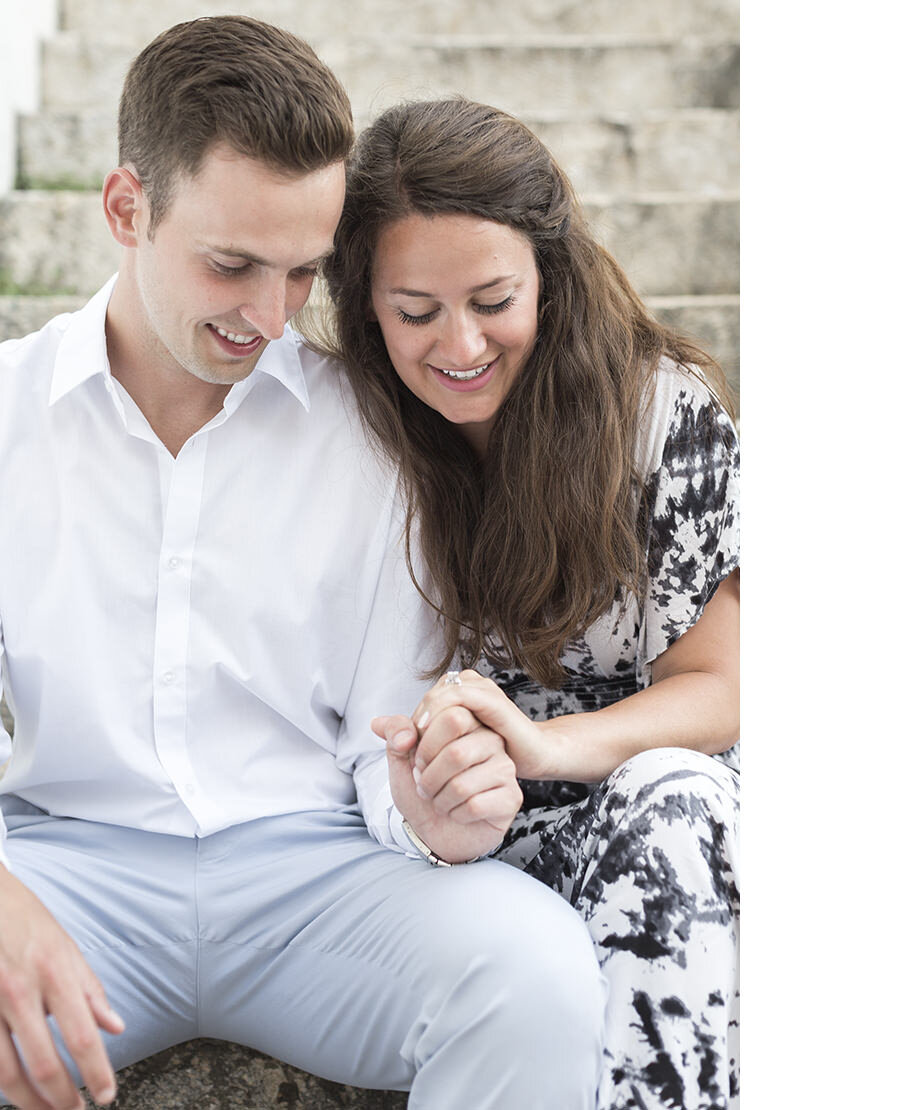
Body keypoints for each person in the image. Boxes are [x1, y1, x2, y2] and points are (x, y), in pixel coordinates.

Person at [0, 20, 606, 1110]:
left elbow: (386, 736)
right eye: (232, 265)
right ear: (126, 209)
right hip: (64, 870)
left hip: (317, 881)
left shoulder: (373, 429)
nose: (270, 318)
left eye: (304, 274)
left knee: (534, 975)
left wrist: (429, 807)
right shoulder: (8, 417)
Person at [320, 98, 741, 1110]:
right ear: (366, 305)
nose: (459, 344)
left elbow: (722, 687)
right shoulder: (345, 435)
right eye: (415, 311)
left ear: (548, 273)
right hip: (443, 840)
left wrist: (551, 747)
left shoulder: (658, 415)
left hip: (640, 809)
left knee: (673, 805)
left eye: (493, 299)